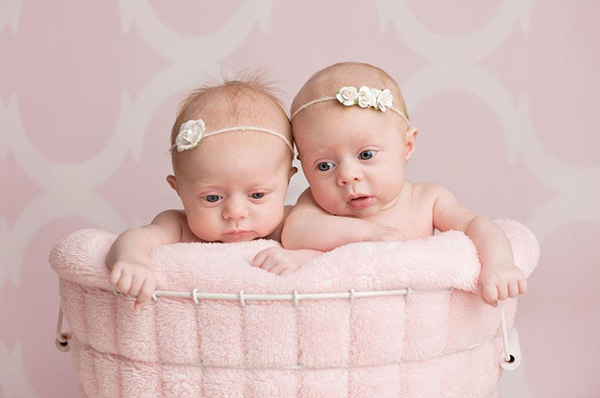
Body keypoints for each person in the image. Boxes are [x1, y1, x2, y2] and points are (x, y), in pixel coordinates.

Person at [282, 62, 527, 306]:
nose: (347, 175)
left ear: (407, 146)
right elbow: (294, 233)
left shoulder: (428, 201)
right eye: (324, 165)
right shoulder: (316, 206)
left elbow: (475, 224)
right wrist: (370, 234)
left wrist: (499, 262)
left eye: (366, 155)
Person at [107, 73, 320, 311]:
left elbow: (334, 256)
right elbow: (136, 238)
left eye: (257, 195)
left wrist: (300, 257)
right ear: (178, 189)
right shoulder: (179, 226)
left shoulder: (292, 224)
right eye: (212, 198)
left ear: (287, 181)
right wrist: (132, 260)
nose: (235, 213)